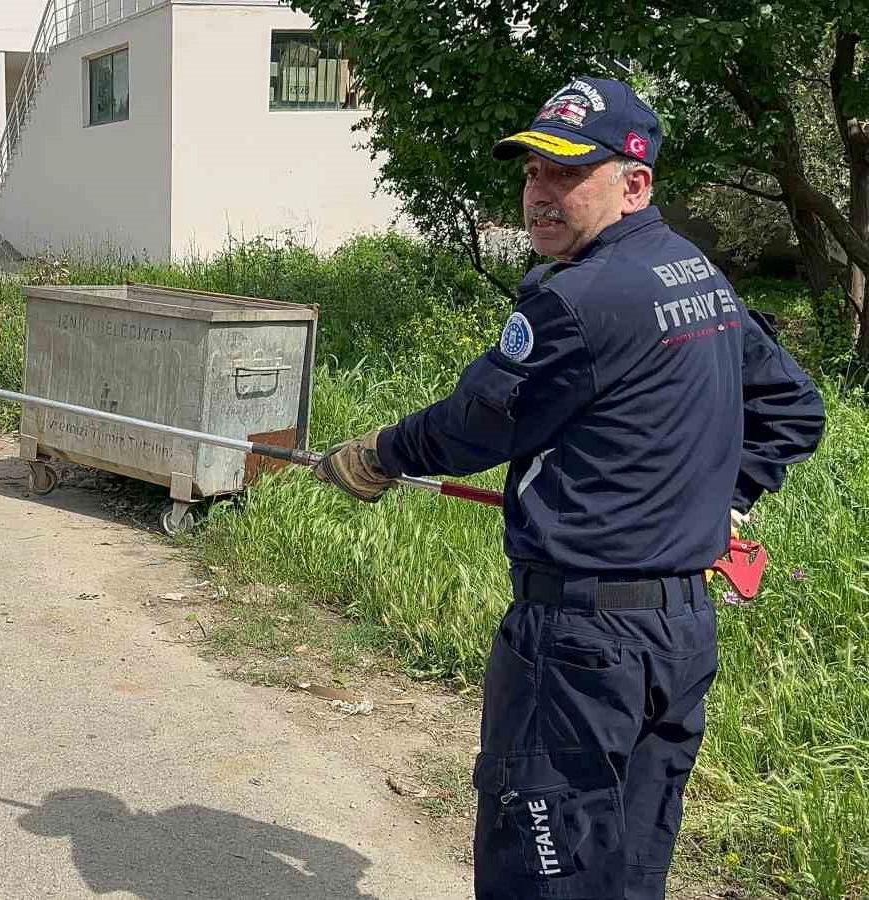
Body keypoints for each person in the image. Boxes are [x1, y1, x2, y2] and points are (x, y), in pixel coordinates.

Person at [313, 76, 826, 899]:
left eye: (567, 174)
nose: (541, 195)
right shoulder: (692, 273)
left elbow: (478, 423)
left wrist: (380, 453)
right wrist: (723, 499)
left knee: (540, 871)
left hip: (580, 644)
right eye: (531, 173)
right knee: (623, 874)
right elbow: (794, 409)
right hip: (678, 639)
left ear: (635, 182)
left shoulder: (582, 302)